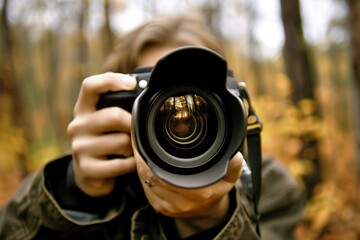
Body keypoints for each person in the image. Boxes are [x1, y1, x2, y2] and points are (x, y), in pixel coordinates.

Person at [0, 14, 305, 240]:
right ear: (119, 107)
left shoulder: (269, 185)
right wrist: (74, 192)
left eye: (199, 100)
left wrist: (214, 219)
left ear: (232, 105)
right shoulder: (100, 181)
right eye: (153, 96)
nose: (177, 118)